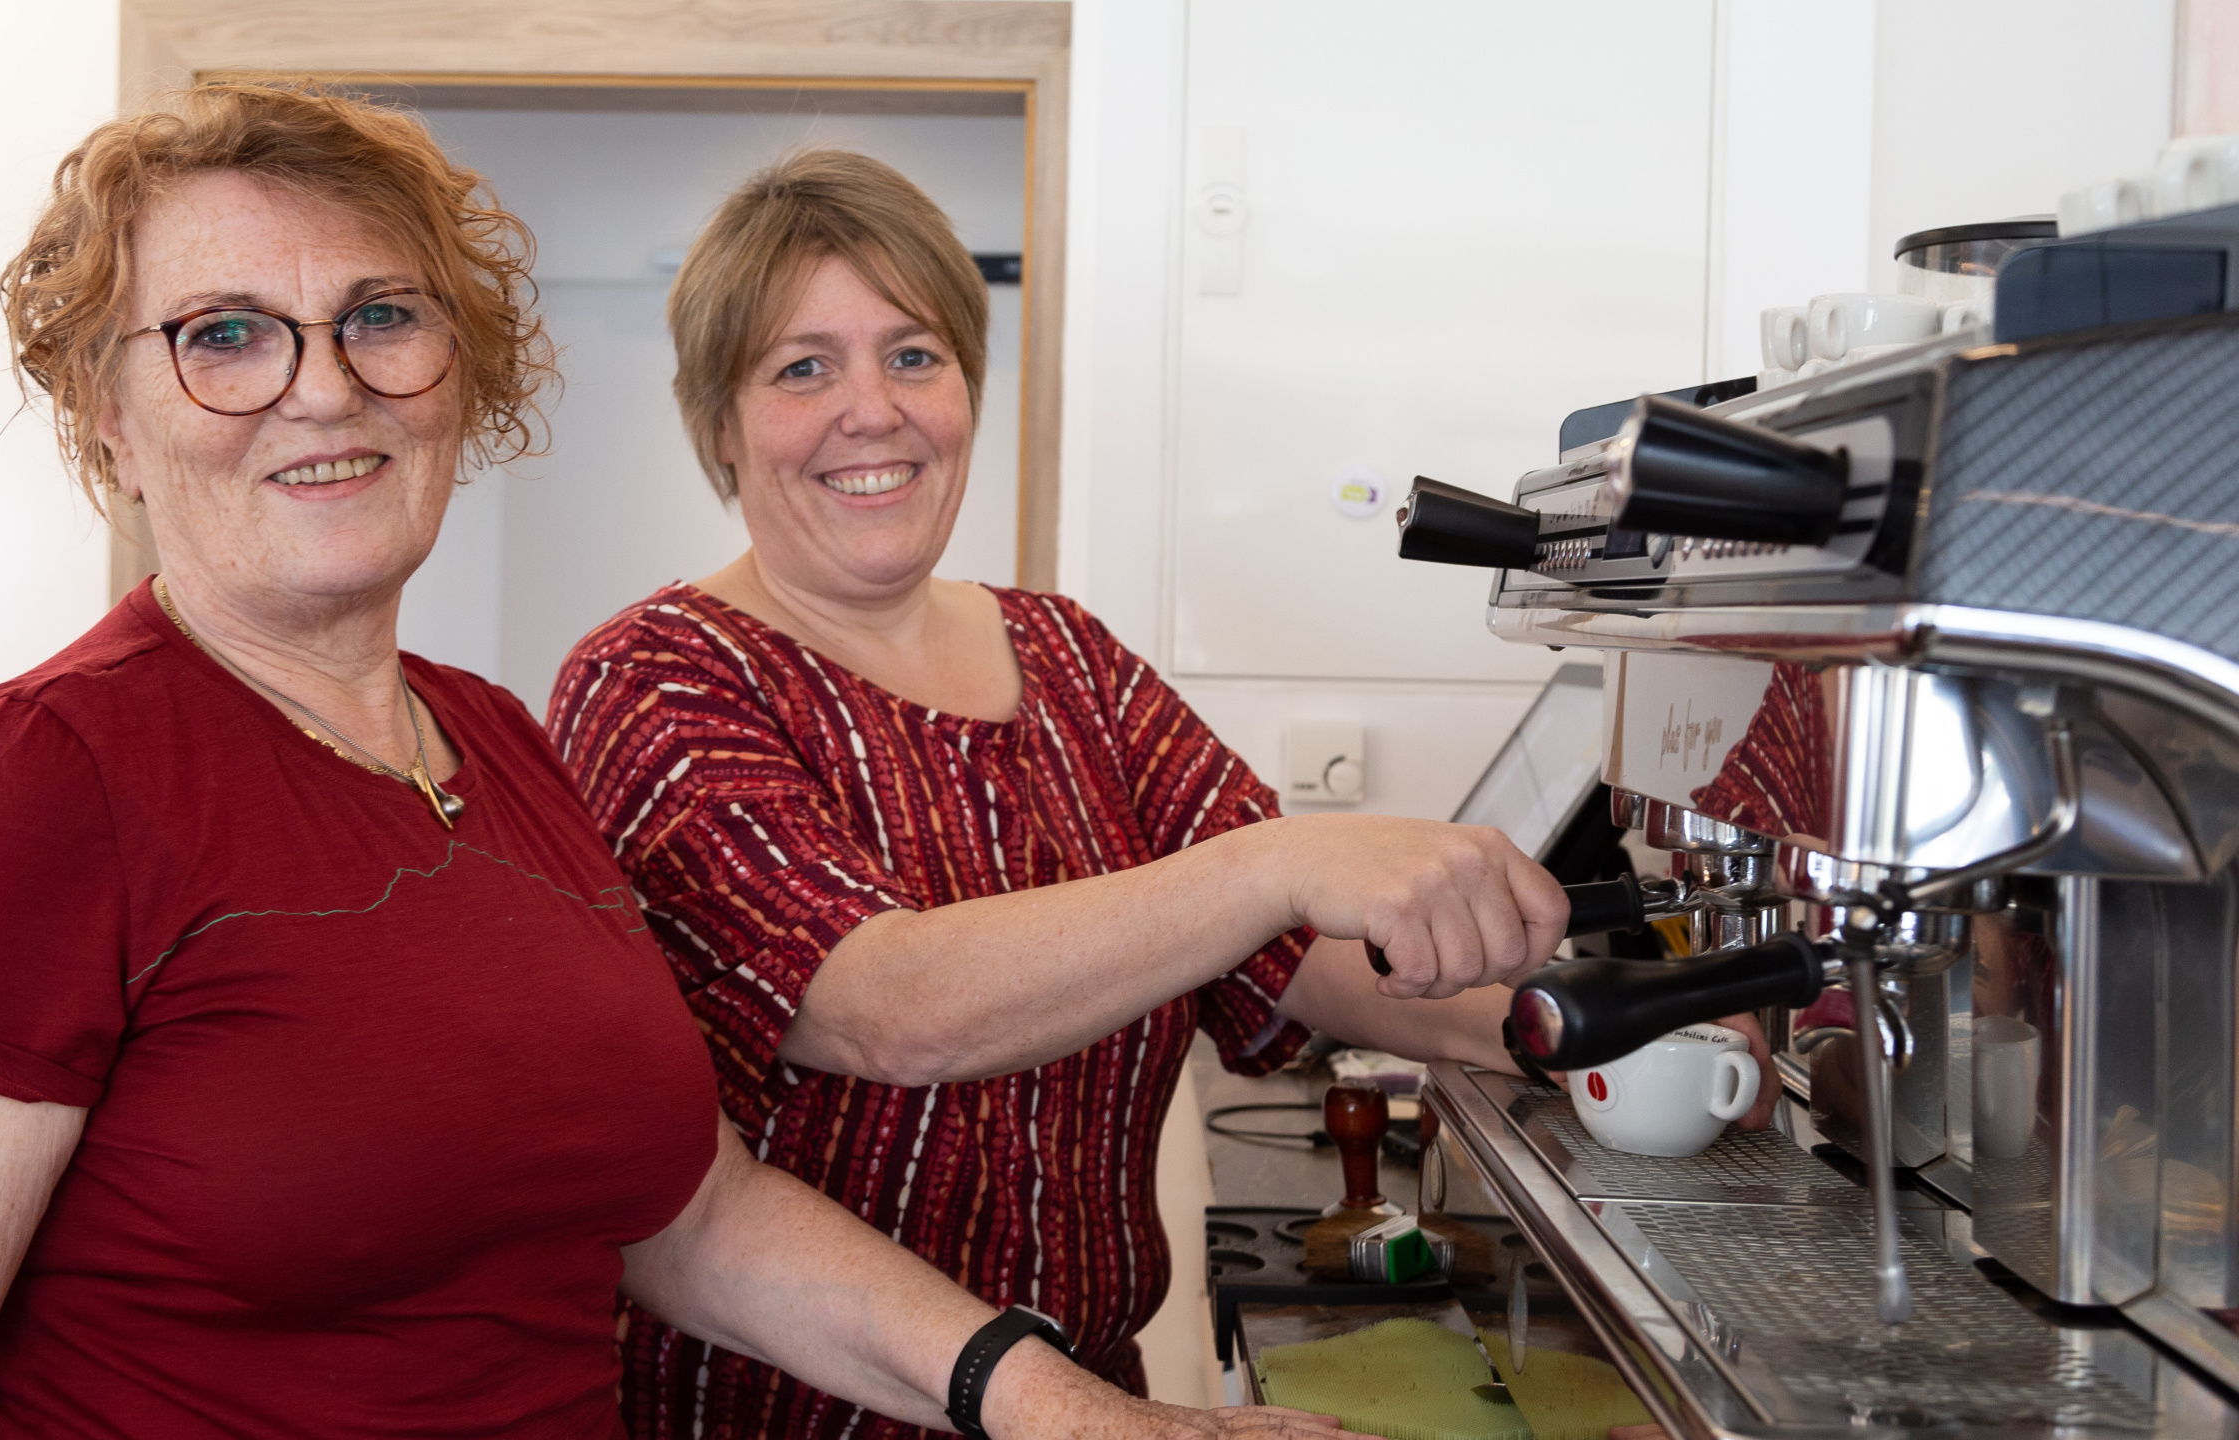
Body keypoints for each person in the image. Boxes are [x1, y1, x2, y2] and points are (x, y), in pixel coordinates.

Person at [0, 86, 1365, 1440]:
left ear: (460, 376)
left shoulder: (496, 746)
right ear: (110, 418)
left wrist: (1067, 1410)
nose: (325, 388)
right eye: (226, 335)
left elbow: (691, 1215)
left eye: (382, 318)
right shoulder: (40, 777)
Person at [547, 150, 1777, 1439]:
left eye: (914, 354)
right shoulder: (657, 680)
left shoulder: (1067, 656)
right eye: (803, 368)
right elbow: (884, 1010)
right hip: (788, 1413)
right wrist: (1279, 864)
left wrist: (1595, 1032)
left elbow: (1303, 958)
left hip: (1091, 1402)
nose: (873, 410)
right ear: (719, 423)